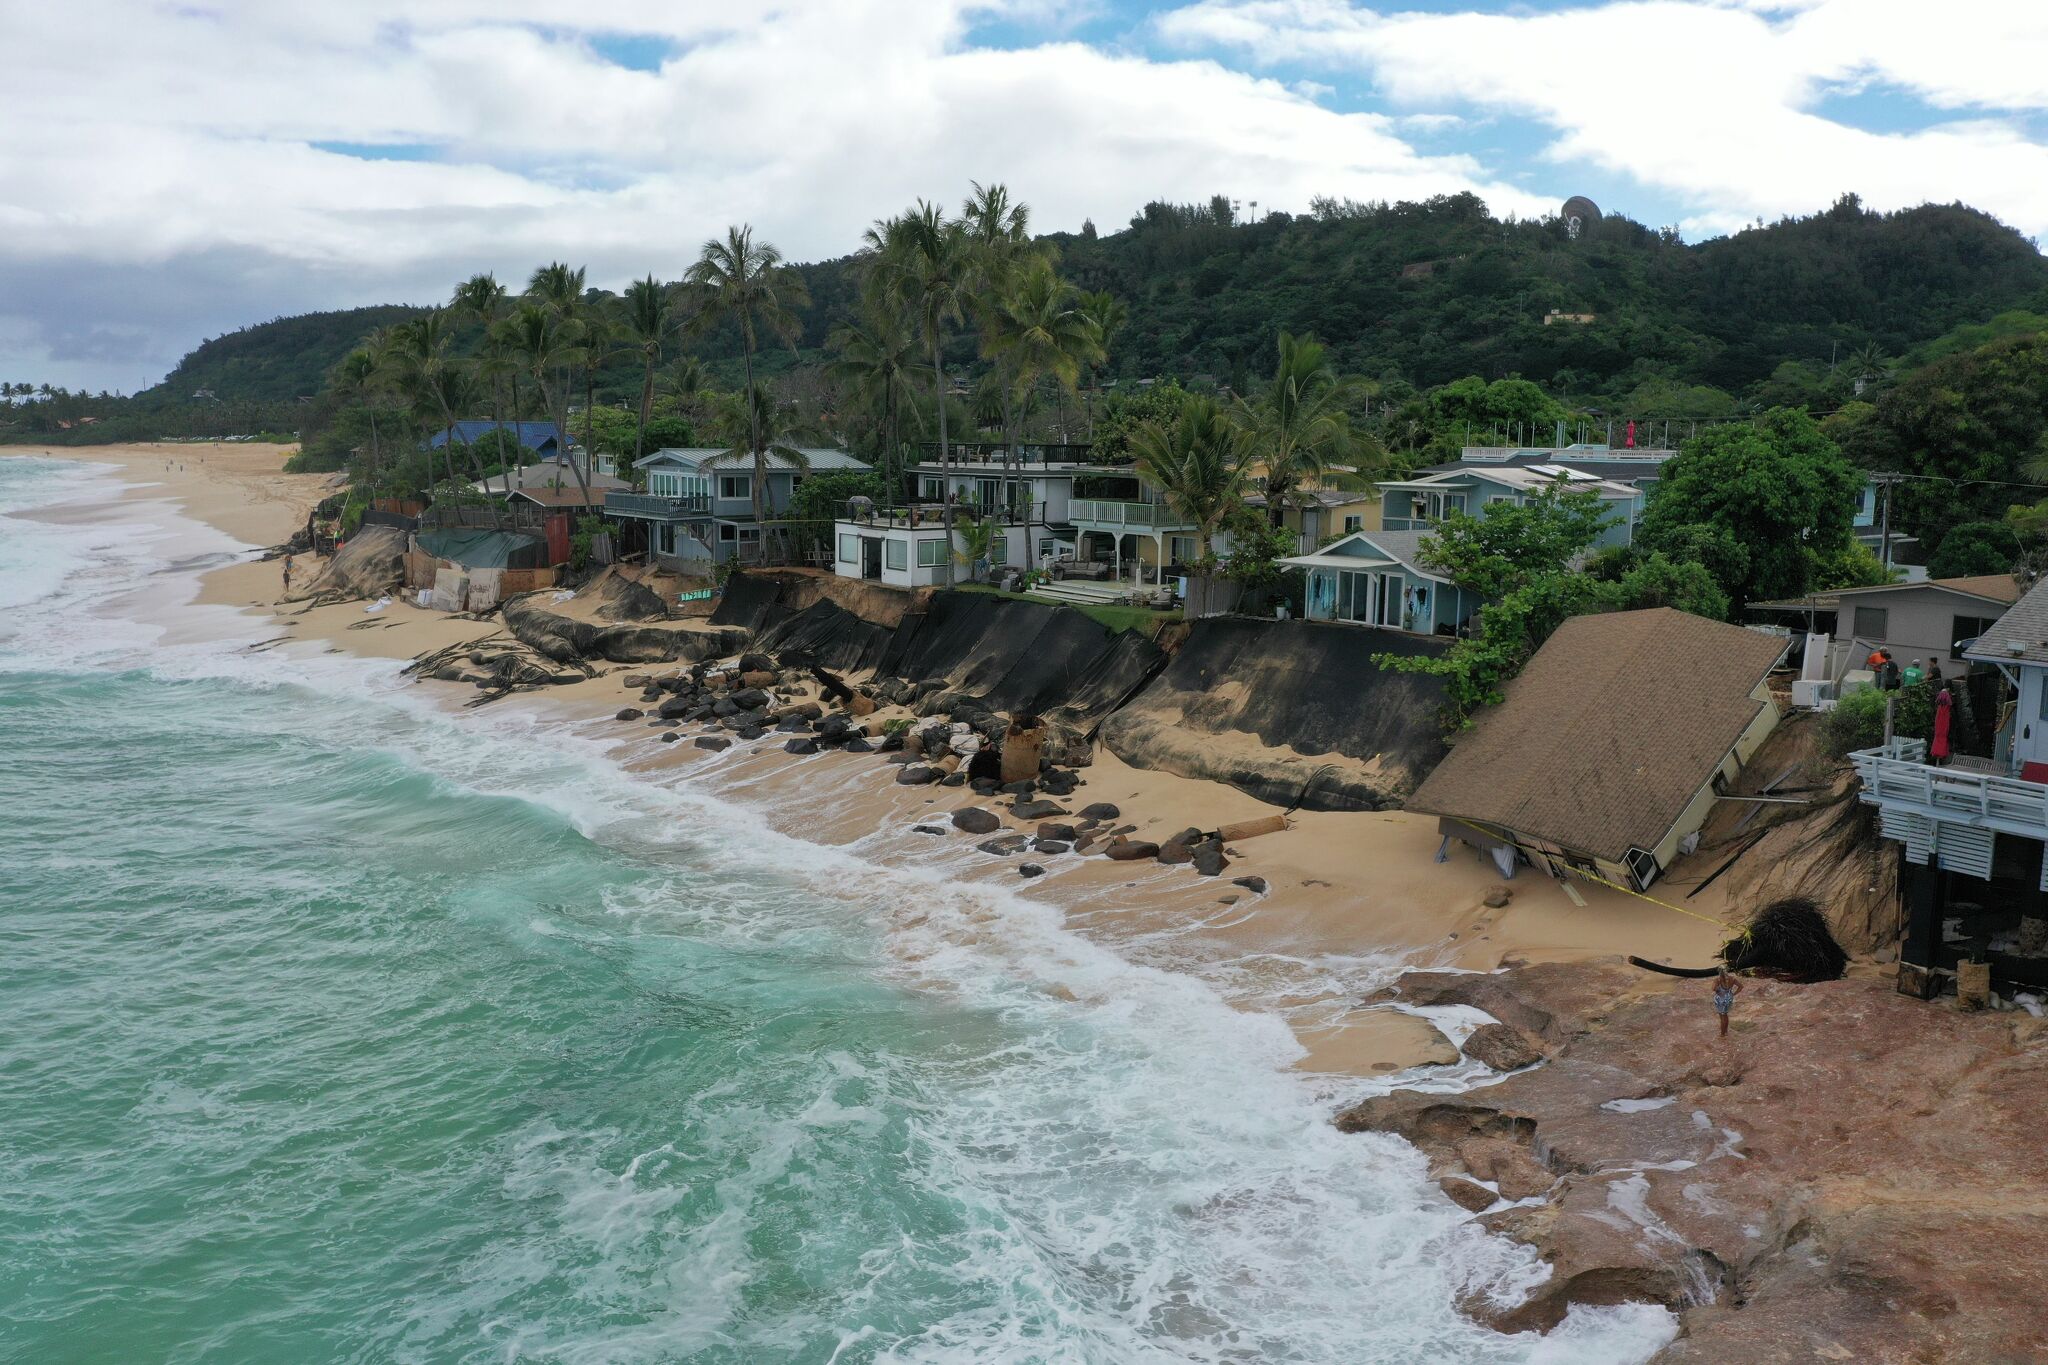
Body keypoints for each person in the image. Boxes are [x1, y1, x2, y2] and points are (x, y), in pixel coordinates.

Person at [1713, 971, 1742, 1039]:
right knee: (1725, 1015)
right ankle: (1725, 1032)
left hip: (1720, 1000)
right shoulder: (1732, 979)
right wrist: (1733, 994)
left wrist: (1716, 984)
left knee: (1722, 1017)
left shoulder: (1718, 980)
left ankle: (1722, 1034)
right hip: (1728, 998)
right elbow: (1741, 987)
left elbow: (1713, 988)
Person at [1932, 684, 1955, 766]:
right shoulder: (1947, 709)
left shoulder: (1939, 708)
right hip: (1944, 731)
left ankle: (1939, 758)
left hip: (1939, 731)